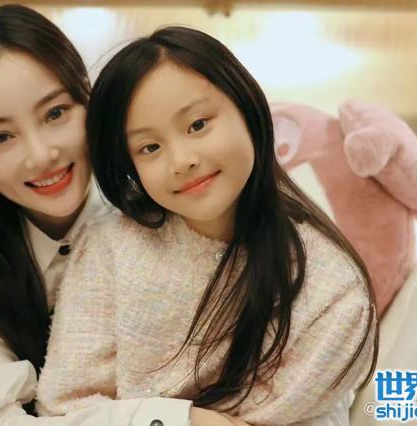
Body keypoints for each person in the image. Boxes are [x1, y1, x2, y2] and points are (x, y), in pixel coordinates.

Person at [0, 6, 240, 426]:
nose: (41, 155)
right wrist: (175, 420)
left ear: (87, 100)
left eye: (55, 113)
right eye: (1, 137)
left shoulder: (169, 210)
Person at [37, 26, 378, 425]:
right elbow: (64, 408)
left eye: (197, 125)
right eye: (150, 147)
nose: (182, 160)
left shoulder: (331, 286)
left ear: (247, 108)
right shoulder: (110, 247)